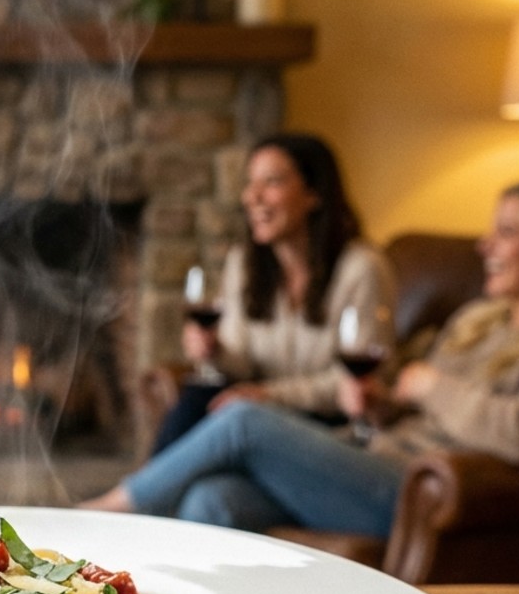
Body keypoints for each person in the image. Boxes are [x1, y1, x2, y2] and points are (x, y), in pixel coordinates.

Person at [82, 177, 519, 540]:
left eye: (508, 232)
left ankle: (109, 513)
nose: (485, 244)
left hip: (416, 492)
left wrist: (430, 385)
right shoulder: (479, 321)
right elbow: (416, 409)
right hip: (368, 459)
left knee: (245, 420)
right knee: (210, 499)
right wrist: (381, 404)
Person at [152, 131, 396, 452]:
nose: (251, 197)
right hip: (254, 412)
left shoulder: (361, 268)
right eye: (250, 183)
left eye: (272, 182)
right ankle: (136, 497)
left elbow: (357, 383)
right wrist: (215, 350)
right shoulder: (243, 264)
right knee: (200, 395)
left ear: (314, 194)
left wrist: (270, 396)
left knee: (221, 413)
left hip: (324, 422)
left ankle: (125, 499)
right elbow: (241, 364)